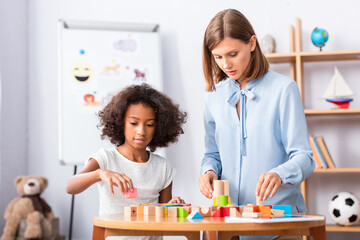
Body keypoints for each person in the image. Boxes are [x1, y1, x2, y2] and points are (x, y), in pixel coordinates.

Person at [198, 9, 315, 240]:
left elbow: (304, 157)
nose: (225, 64)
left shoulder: (284, 89)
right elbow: (212, 153)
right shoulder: (213, 96)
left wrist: (279, 174)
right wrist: (208, 171)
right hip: (229, 223)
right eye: (218, 57)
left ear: (252, 43)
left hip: (278, 223)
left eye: (233, 53)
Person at [66, 83, 187, 240]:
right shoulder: (105, 159)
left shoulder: (163, 168)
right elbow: (70, 187)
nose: (141, 131)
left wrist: (173, 207)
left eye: (149, 124)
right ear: (120, 122)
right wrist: (100, 174)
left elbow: (163, 215)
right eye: (134, 123)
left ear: (158, 127)